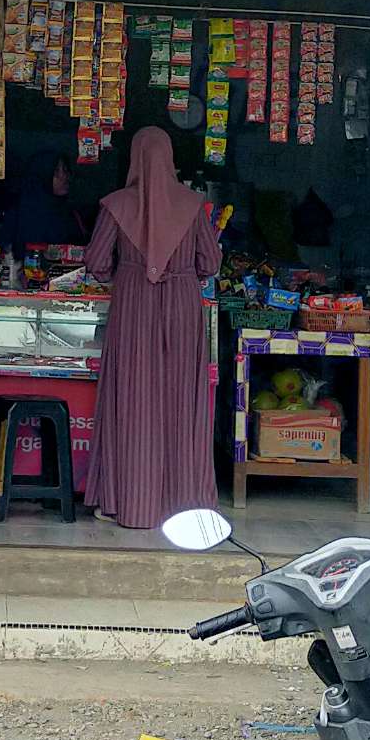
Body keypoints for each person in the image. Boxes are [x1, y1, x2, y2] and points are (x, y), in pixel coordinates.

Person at [82, 127, 223, 531]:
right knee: (182, 401)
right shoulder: (193, 205)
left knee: (134, 400)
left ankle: (130, 503)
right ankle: (184, 502)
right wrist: (179, 272)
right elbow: (210, 263)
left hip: (133, 306)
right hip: (182, 307)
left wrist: (128, 271)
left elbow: (96, 261)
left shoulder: (116, 205)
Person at [0, 149, 85, 254]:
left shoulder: (69, 213)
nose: (64, 177)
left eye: (65, 170)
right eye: (55, 172)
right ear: (41, 176)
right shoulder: (20, 214)